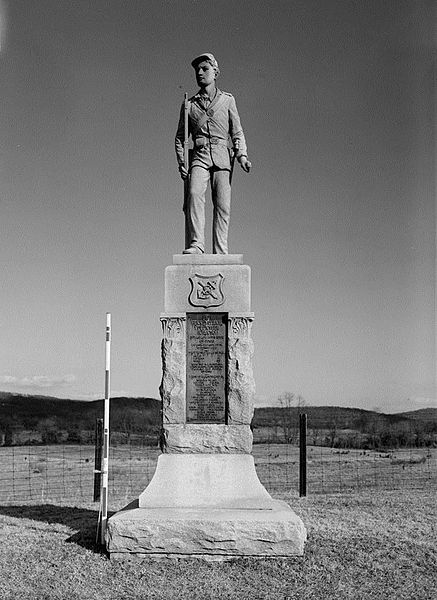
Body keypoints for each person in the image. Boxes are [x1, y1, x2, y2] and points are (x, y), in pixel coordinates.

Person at [175, 53, 251, 254]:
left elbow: (237, 131)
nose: (200, 73)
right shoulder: (189, 106)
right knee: (193, 195)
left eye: (204, 69)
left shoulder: (227, 101)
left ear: (215, 72)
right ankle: (197, 244)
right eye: (197, 70)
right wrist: (182, 162)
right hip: (199, 155)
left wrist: (242, 155)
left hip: (221, 156)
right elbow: (180, 137)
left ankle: (220, 249)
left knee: (223, 205)